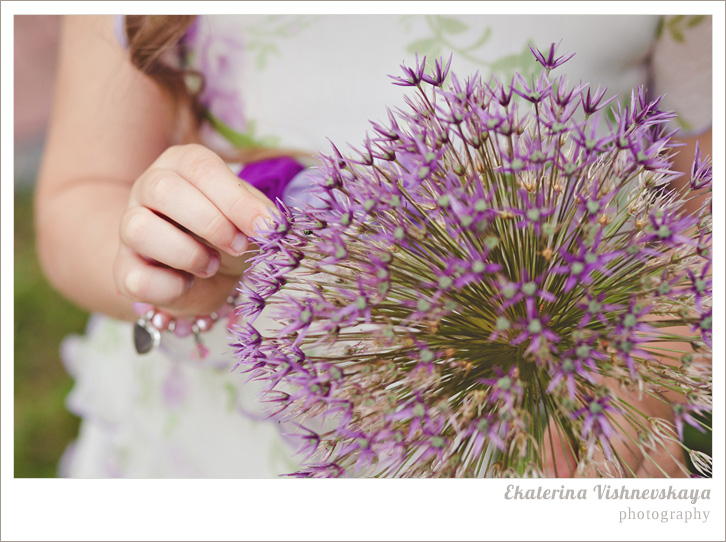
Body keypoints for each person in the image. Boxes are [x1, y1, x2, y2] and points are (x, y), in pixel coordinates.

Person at [35, 14, 712, 478]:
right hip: (219, 438)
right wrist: (165, 262)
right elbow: (82, 193)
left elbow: (693, 183)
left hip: (545, 428)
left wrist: (650, 348)